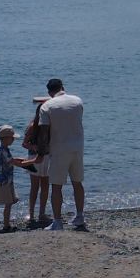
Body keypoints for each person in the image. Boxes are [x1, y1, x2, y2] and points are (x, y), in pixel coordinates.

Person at [37, 77, 86, 231]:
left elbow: (44, 132)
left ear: (49, 92)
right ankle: (79, 215)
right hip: (77, 146)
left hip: (59, 149)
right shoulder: (77, 101)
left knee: (56, 186)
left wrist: (41, 151)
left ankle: (57, 221)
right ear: (63, 87)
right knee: (77, 183)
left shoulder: (47, 106)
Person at [0, 124, 32, 233]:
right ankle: (6, 226)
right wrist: (29, 163)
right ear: (6, 139)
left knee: (13, 199)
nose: (13, 140)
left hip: (7, 179)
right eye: (12, 138)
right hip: (4, 180)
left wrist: (20, 159)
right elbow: (12, 162)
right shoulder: (4, 151)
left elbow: (10, 160)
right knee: (9, 203)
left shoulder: (3, 149)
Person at [22, 98, 50, 229]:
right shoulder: (33, 126)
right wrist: (34, 147)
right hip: (34, 158)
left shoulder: (50, 126)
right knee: (34, 187)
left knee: (45, 186)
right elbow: (24, 144)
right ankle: (31, 213)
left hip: (47, 157)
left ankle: (41, 213)